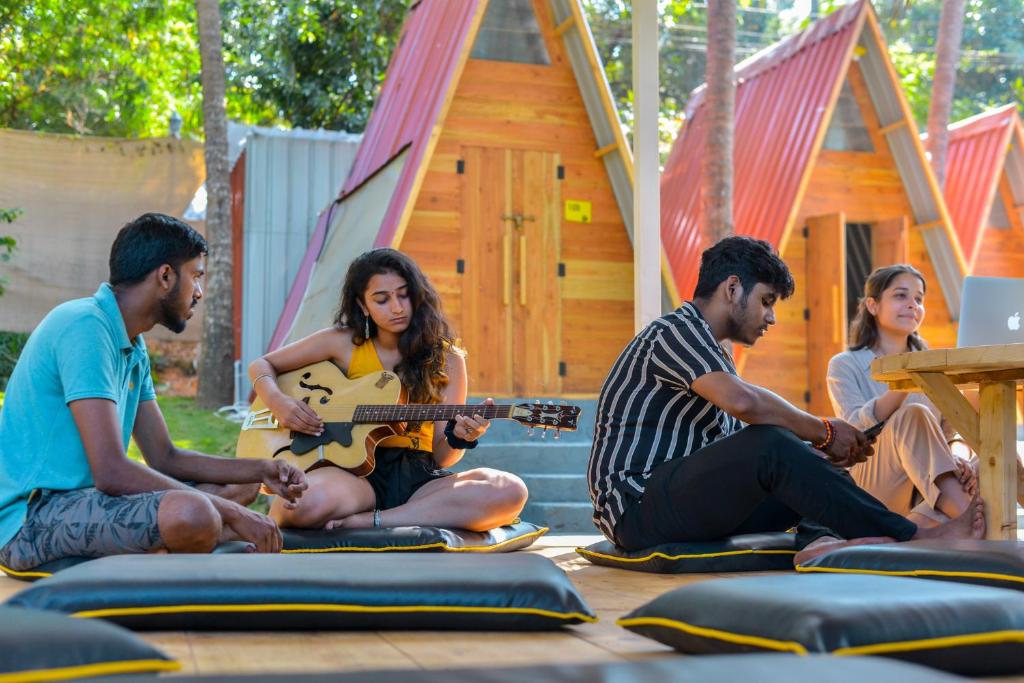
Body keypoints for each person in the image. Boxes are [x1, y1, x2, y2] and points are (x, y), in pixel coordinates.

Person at [586, 236, 984, 566]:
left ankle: (821, 544)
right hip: (636, 504)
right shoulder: (673, 332)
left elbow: (739, 442)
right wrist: (825, 430)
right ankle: (915, 535)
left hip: (682, 499)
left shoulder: (715, 352)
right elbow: (745, 404)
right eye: (767, 301)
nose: (771, 318)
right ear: (732, 288)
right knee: (775, 443)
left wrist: (816, 448)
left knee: (807, 458)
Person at [0, 213, 307, 573]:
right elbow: (111, 471)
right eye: (196, 275)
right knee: (194, 512)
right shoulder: (85, 326)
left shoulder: (133, 344)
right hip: (33, 518)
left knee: (238, 486)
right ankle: (186, 538)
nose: (198, 292)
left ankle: (168, 546)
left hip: (91, 502)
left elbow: (164, 456)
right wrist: (231, 512)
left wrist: (261, 468)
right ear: (165, 276)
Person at [249, 248, 528, 531]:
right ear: (362, 305)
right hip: (352, 476)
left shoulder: (448, 358)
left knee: (510, 490)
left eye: (403, 294)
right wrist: (279, 402)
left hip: (420, 481)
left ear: (418, 294)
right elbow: (262, 365)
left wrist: (460, 437)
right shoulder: (342, 343)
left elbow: (443, 457)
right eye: (381, 299)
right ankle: (398, 516)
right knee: (294, 506)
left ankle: (371, 521)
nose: (396, 307)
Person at [828, 265, 977, 527]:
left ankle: (916, 530)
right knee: (913, 414)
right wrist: (905, 381)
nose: (912, 304)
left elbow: (952, 433)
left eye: (918, 299)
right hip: (874, 484)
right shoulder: (844, 365)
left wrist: (958, 455)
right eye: (900, 296)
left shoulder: (936, 366)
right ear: (873, 306)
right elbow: (853, 432)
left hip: (925, 489)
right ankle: (968, 517)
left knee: (993, 454)